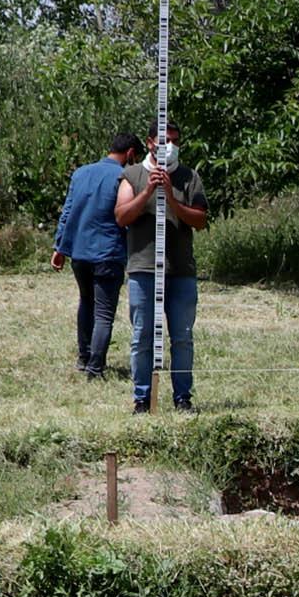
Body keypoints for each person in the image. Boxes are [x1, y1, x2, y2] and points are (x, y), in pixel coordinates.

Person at [113, 124, 209, 414]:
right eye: (165, 140)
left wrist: (170, 196)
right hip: (143, 269)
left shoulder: (189, 177)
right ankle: (142, 399)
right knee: (142, 336)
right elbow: (121, 216)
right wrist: (149, 192)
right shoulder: (132, 175)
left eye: (176, 141)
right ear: (150, 143)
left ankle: (183, 398)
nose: (171, 145)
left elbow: (200, 220)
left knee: (182, 336)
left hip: (180, 270)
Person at [50, 131, 142, 381]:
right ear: (131, 153)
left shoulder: (81, 173)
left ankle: (83, 357)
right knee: (103, 312)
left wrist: (59, 248)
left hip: (79, 252)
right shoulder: (124, 177)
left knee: (86, 302)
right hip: (108, 252)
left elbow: (67, 211)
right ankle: (95, 367)